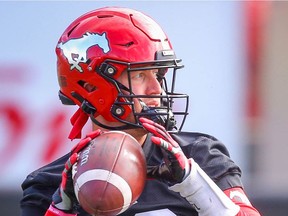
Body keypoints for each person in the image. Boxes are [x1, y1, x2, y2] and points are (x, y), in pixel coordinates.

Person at [20, 6, 261, 216]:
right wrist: (61, 211)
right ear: (92, 86)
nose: (156, 88)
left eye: (157, 75)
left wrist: (194, 185)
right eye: (140, 75)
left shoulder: (199, 157)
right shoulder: (49, 185)